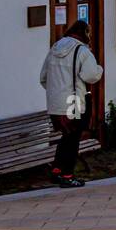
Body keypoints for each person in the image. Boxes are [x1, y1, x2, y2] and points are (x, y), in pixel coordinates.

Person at [39, 19, 102, 187]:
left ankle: (57, 170)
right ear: (85, 33)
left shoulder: (54, 48)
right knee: (73, 140)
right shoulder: (82, 51)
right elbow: (90, 75)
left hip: (55, 103)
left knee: (66, 137)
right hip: (73, 101)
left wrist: (56, 92)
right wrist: (99, 70)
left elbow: (43, 78)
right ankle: (68, 175)